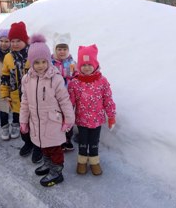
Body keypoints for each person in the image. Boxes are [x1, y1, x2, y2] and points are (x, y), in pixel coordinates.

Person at [20, 34, 75, 187]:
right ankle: (48, 165)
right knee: (43, 145)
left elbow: (64, 100)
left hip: (53, 121)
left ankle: (57, 172)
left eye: (44, 61)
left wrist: (69, 120)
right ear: (31, 62)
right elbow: (25, 101)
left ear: (48, 60)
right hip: (36, 121)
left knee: (54, 148)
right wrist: (23, 121)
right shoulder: (27, 79)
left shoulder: (55, 79)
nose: (40, 65)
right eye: (36, 62)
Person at [68, 44, 116, 175]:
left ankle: (94, 161)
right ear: (79, 66)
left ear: (95, 64)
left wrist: (111, 116)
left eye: (89, 64)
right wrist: (66, 117)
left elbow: (108, 99)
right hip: (82, 120)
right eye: (83, 65)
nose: (87, 67)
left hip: (97, 120)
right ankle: (82, 161)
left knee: (94, 142)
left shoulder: (102, 81)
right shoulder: (75, 83)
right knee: (83, 142)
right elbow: (70, 102)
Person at [0, 21, 43, 163]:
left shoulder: (32, 54)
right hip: (17, 98)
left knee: (35, 123)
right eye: (12, 41)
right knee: (23, 123)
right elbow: (5, 76)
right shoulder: (8, 57)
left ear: (25, 40)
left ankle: (38, 146)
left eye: (18, 40)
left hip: (34, 97)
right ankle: (28, 143)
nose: (15, 44)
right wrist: (5, 93)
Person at [51, 32, 76, 151]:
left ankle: (67, 139)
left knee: (68, 116)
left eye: (64, 49)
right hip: (55, 97)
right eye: (59, 49)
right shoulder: (51, 63)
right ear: (55, 49)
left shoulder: (71, 63)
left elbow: (76, 76)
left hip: (69, 97)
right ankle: (58, 139)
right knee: (57, 117)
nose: (62, 52)